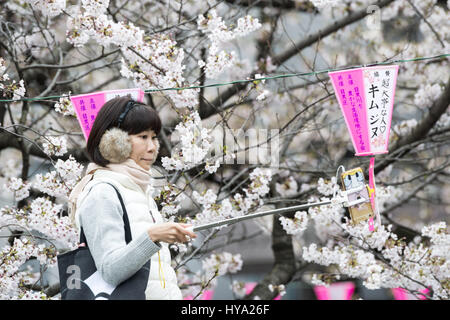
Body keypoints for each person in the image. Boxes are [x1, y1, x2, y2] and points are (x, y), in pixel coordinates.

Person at [68, 96, 196, 300]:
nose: (153, 147)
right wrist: (153, 236)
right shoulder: (103, 192)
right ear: (114, 142)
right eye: (143, 137)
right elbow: (110, 269)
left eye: (154, 137)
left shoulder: (140, 191)